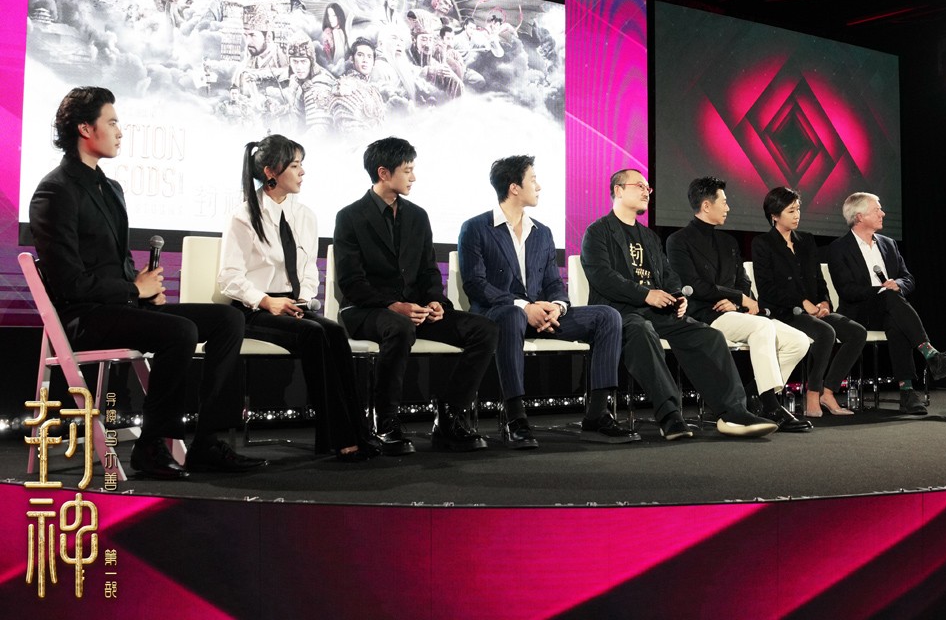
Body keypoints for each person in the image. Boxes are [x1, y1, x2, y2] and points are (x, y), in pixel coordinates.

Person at [28, 87, 265, 479]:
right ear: (85, 128)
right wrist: (133, 290)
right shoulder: (55, 190)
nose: (120, 131)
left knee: (229, 319)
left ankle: (207, 441)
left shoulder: (110, 187)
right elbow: (70, 283)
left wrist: (143, 287)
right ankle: (151, 445)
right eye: (112, 122)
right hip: (83, 317)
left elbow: (117, 261)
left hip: (121, 308)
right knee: (180, 331)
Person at [580, 169, 778, 440]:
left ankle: (734, 412)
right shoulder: (598, 232)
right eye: (639, 186)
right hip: (619, 313)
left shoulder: (649, 237)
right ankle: (670, 414)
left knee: (708, 336)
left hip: (655, 311)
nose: (646, 192)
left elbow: (668, 274)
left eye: (648, 188)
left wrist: (678, 296)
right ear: (618, 190)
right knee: (641, 331)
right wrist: (645, 295)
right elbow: (603, 277)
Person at [217, 135, 380, 462]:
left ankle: (356, 431)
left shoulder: (305, 215)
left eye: (301, 164)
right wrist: (267, 301)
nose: (302, 172)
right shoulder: (243, 216)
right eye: (294, 165)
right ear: (271, 172)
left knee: (334, 333)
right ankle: (340, 437)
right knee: (314, 334)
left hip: (294, 306)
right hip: (254, 309)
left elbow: (308, 270)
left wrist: (303, 300)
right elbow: (229, 277)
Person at [458, 156, 639, 448]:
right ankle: (516, 418)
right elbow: (475, 284)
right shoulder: (475, 228)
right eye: (533, 180)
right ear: (514, 187)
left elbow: (554, 282)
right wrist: (523, 307)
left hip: (542, 315)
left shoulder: (542, 232)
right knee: (513, 315)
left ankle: (597, 415)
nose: (538, 186)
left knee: (607, 316)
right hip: (499, 316)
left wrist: (558, 305)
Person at [333, 137, 497, 452]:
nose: (414, 177)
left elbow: (428, 271)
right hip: (366, 310)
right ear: (383, 173)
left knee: (484, 329)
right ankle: (386, 421)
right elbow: (352, 282)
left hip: (415, 310)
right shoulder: (350, 216)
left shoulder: (418, 216)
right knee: (399, 327)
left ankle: (450, 417)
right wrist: (393, 305)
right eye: (407, 171)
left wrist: (435, 301)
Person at [666, 177, 812, 432]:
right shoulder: (678, 241)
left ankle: (753, 395)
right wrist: (738, 298)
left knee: (798, 341)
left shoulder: (729, 242)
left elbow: (743, 282)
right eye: (723, 202)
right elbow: (693, 285)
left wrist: (738, 302)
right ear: (706, 205)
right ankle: (771, 404)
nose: (728, 207)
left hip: (736, 314)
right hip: (704, 315)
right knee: (762, 327)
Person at [827, 192, 946, 415]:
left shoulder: (888, 244)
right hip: (858, 313)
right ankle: (930, 355)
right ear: (859, 216)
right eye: (877, 210)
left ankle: (907, 391)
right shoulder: (839, 248)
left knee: (896, 320)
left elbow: (908, 278)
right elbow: (847, 290)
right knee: (891, 299)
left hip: (889, 310)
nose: (882, 213)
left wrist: (897, 284)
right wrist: (882, 290)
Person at [751, 187, 867, 418]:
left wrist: (825, 302)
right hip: (783, 311)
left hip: (813, 311)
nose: (797, 215)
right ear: (774, 215)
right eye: (790, 211)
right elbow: (766, 289)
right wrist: (801, 302)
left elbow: (818, 279)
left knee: (856, 332)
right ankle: (812, 394)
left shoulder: (806, 240)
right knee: (825, 332)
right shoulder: (762, 243)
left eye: (798, 209)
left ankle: (828, 391)